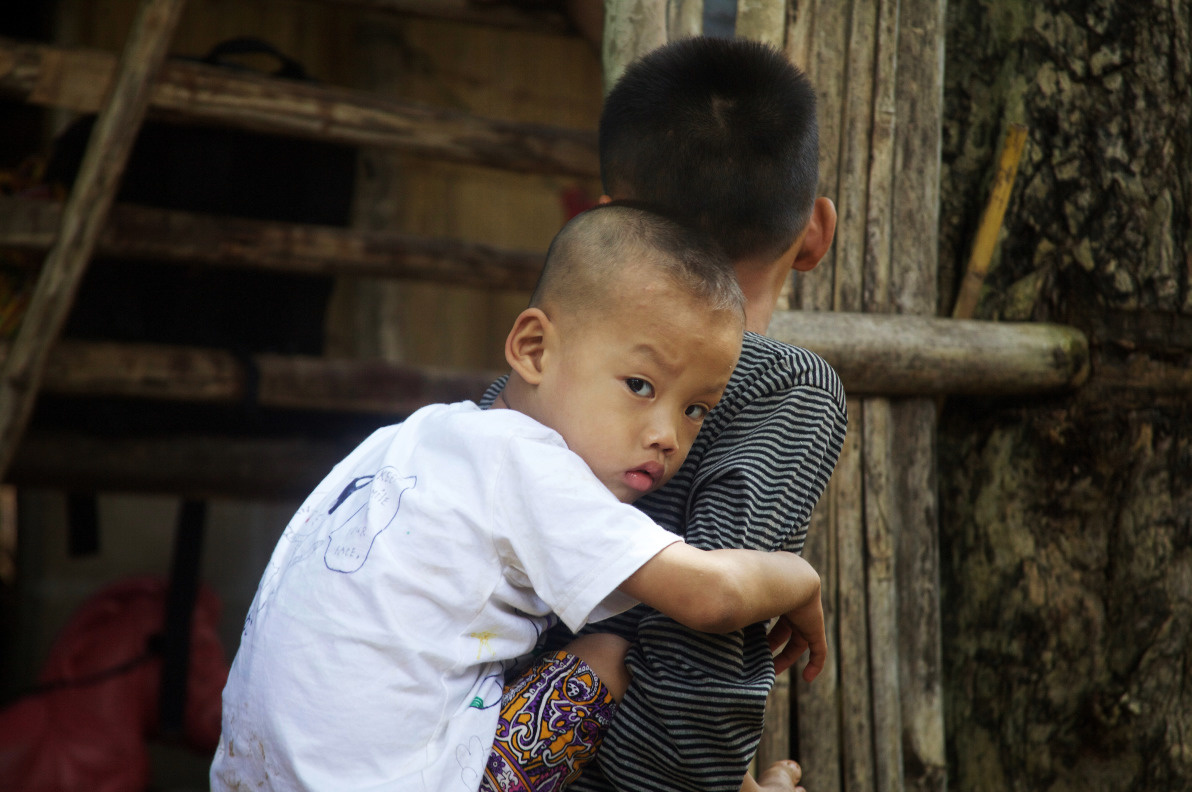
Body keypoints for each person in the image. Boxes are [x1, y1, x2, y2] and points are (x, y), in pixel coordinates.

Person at [209, 203, 828, 792]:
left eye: (696, 409)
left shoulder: (414, 437)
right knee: (615, 652)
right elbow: (710, 595)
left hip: (252, 775)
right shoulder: (530, 468)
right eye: (640, 385)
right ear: (533, 349)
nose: (667, 436)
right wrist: (799, 578)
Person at [481, 37, 847, 792]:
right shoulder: (786, 385)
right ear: (815, 233)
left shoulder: (554, 370)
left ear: (612, 217)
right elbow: (696, 680)